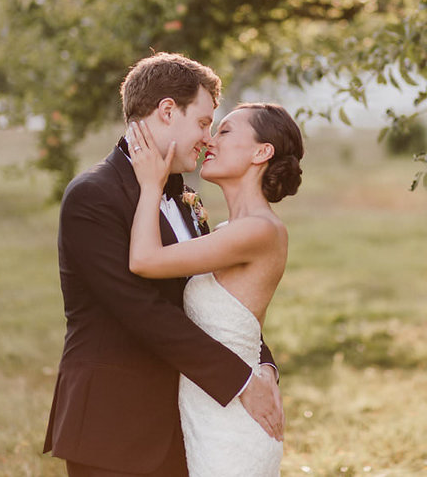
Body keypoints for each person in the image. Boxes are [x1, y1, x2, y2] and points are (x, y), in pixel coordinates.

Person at [43, 53, 283, 477]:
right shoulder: (92, 196)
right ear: (168, 111)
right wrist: (241, 381)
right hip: (113, 426)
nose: (208, 139)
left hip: (182, 423)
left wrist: (262, 364)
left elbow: (218, 298)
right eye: (204, 123)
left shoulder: (184, 195)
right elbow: (142, 312)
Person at [125, 101, 304, 477]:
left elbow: (144, 261)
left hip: (232, 430)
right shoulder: (226, 231)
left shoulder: (259, 230)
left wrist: (150, 186)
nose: (209, 140)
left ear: (261, 152)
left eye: (223, 131)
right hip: (206, 415)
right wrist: (266, 368)